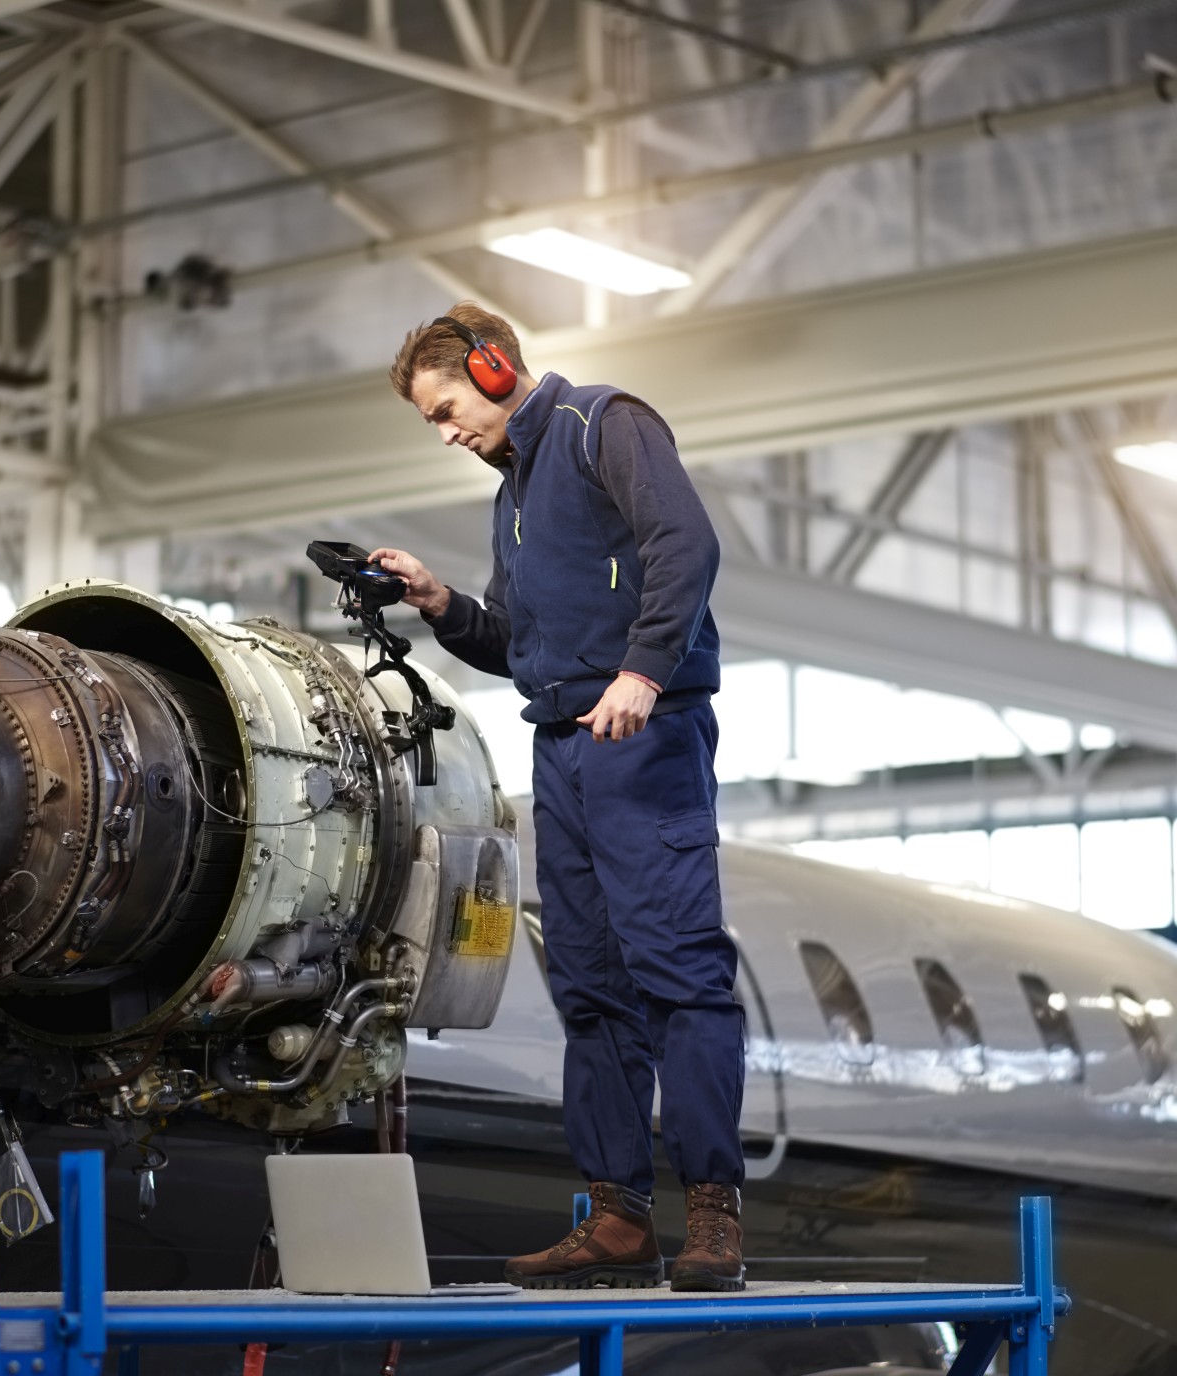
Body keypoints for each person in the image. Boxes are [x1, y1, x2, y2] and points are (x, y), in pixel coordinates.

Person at [371, 304, 746, 1293]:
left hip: (644, 737)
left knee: (678, 971)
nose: (446, 432)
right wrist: (441, 603)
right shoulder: (516, 492)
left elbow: (687, 546)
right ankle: (619, 1218)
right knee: (589, 985)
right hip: (566, 750)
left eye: (446, 409)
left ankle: (713, 1216)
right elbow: (516, 643)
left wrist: (645, 672)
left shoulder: (604, 425)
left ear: (493, 369)